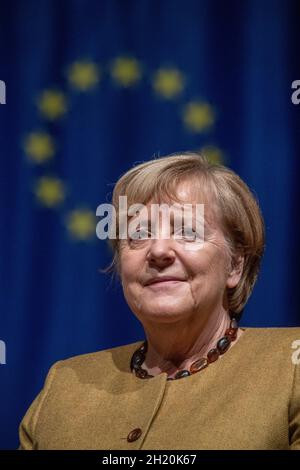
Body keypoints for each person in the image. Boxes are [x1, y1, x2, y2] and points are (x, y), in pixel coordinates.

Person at [19, 152, 300, 450]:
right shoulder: (64, 385)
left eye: (188, 232)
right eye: (139, 234)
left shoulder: (291, 366)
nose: (159, 250)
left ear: (235, 266)